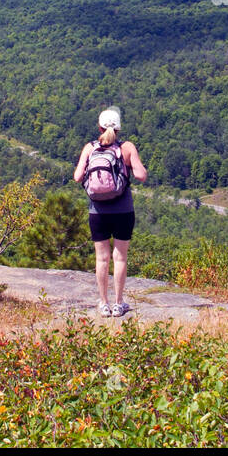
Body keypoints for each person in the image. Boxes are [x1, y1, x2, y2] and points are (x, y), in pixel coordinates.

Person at [73, 107, 147, 317]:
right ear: (119, 128)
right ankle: (118, 303)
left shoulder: (90, 147)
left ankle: (103, 304)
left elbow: (77, 176)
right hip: (123, 210)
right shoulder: (127, 147)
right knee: (120, 257)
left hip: (97, 211)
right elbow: (141, 175)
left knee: (102, 258)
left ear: (99, 126)